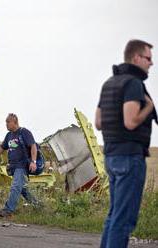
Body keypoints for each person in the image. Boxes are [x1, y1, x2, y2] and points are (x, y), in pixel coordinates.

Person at [95, 39, 157, 248]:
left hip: (111, 157)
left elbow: (99, 123)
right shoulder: (133, 84)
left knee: (114, 215)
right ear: (136, 58)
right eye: (148, 58)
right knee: (124, 220)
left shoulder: (109, 83)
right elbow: (130, 122)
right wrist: (148, 107)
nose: (151, 63)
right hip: (130, 157)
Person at [0, 113, 39, 217]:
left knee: (15, 186)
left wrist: (33, 162)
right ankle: (38, 206)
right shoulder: (9, 135)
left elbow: (33, 146)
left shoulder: (24, 132)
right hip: (13, 166)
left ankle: (8, 210)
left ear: (15, 122)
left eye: (8, 122)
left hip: (22, 165)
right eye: (6, 122)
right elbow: (2, 147)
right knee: (22, 189)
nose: (6, 124)